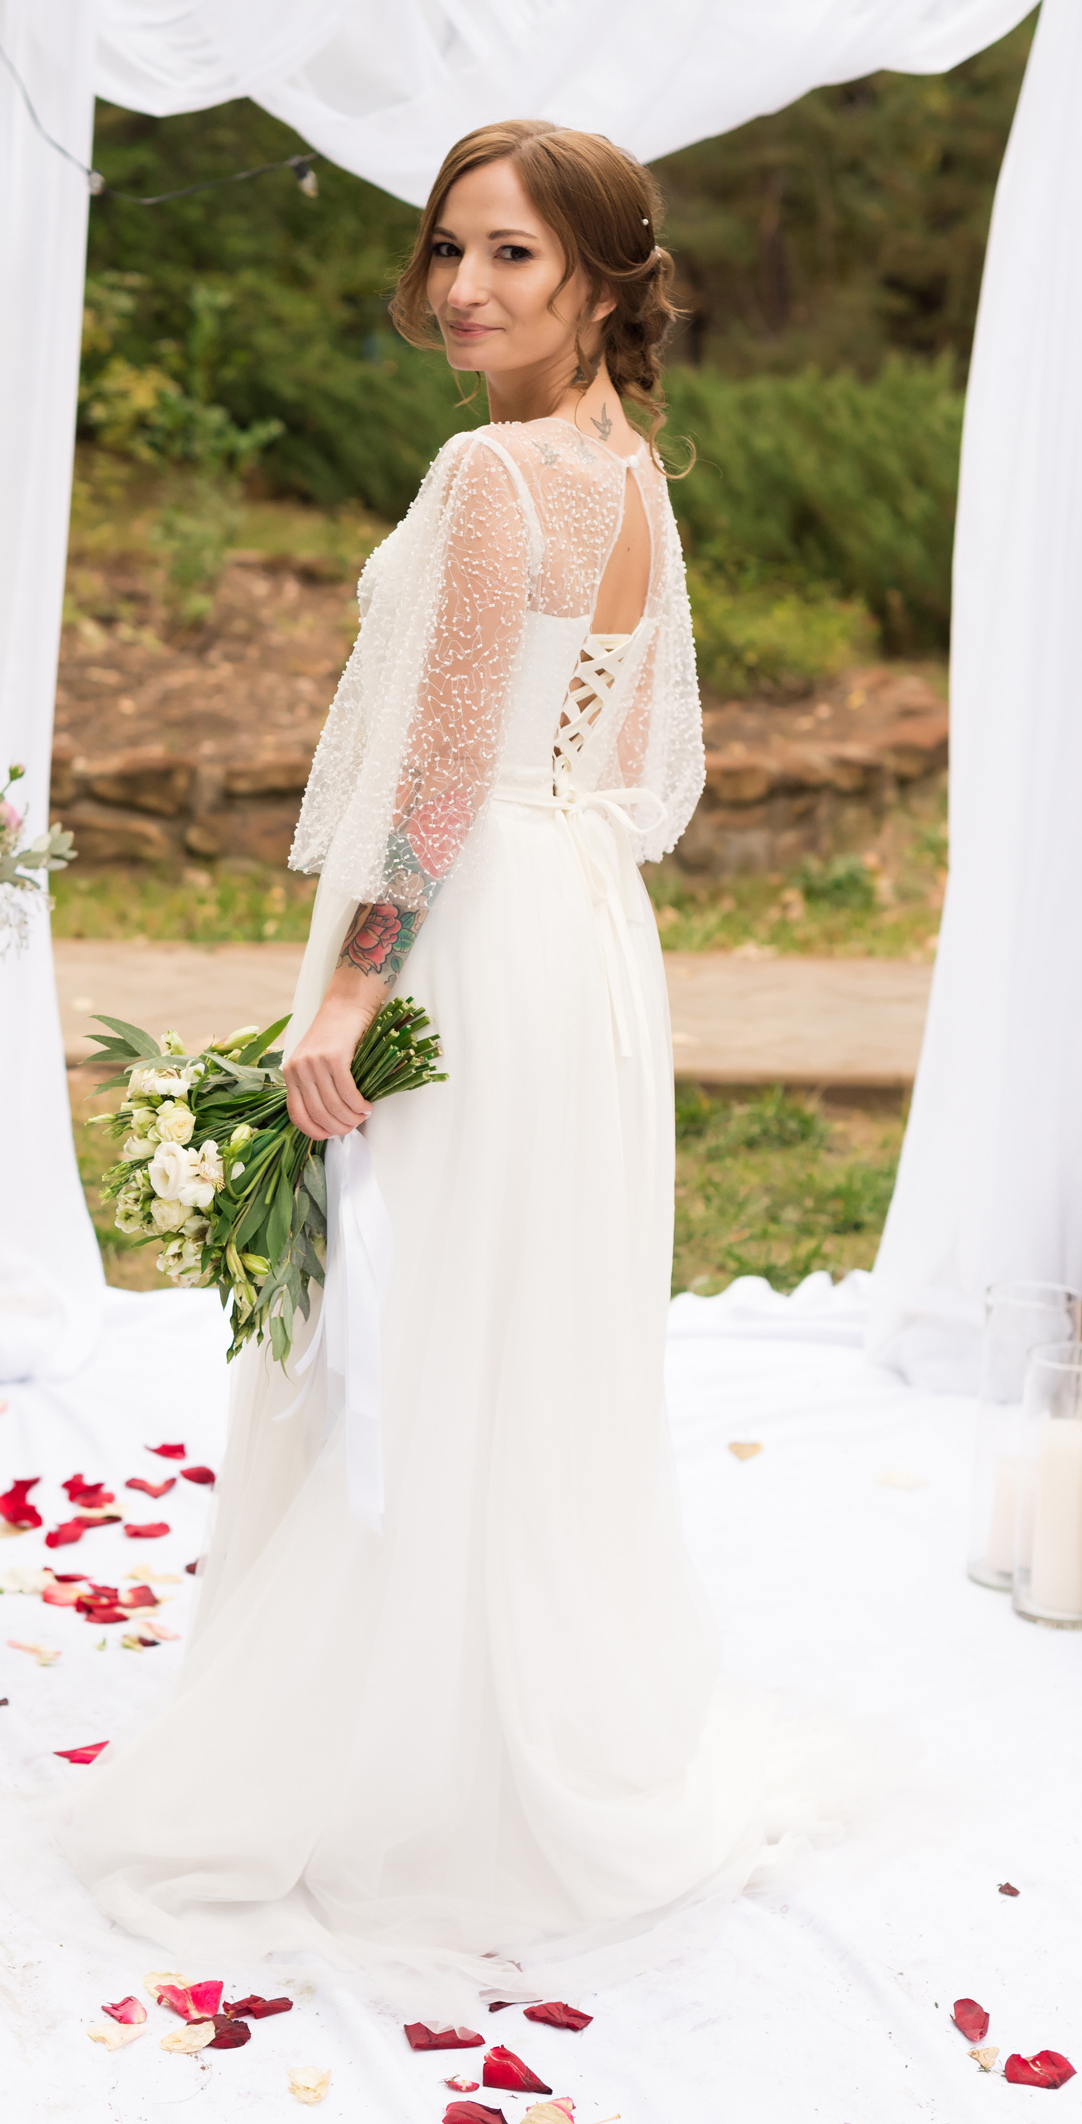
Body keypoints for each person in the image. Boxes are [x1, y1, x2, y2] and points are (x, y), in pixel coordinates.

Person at [70, 120, 833, 1995]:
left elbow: (437, 760)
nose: (464, 287)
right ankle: (486, 1719)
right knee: (508, 1326)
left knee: (407, 1327)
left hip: (473, 923)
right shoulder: (629, 472)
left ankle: (384, 1757)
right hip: (576, 931)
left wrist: (345, 994)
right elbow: (630, 764)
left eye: (509, 254)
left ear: (595, 277)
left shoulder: (496, 472)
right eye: (449, 250)